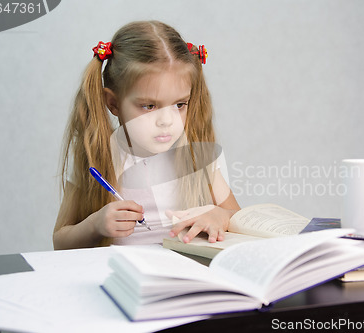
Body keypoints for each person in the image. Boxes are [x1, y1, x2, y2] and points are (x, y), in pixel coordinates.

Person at [54, 20, 240, 250]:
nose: (166, 121)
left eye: (180, 104)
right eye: (149, 106)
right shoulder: (97, 157)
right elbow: (60, 241)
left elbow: (239, 220)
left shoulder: (196, 158)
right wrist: (94, 225)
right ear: (113, 103)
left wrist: (220, 216)